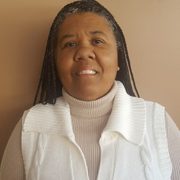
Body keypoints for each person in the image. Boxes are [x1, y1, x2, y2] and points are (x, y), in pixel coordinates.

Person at [0, 0, 179, 180]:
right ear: (55, 62)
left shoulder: (157, 122)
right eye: (70, 44)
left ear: (118, 59)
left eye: (97, 41)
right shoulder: (30, 126)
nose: (84, 52)